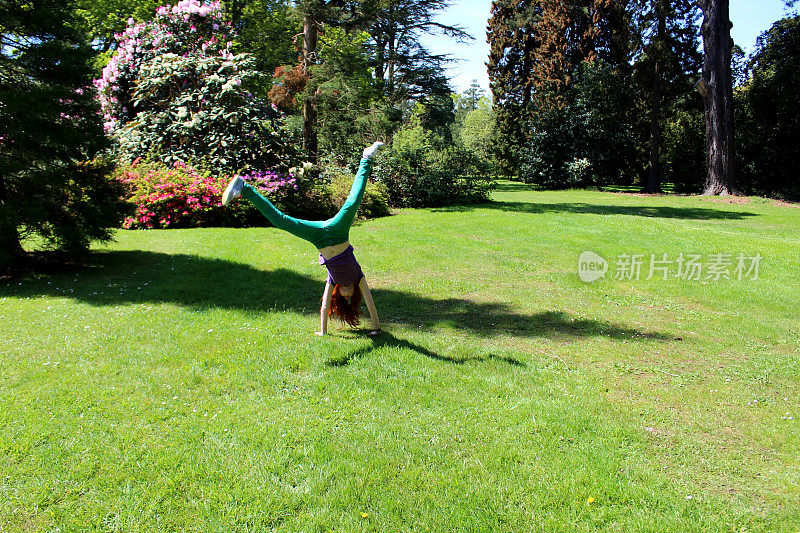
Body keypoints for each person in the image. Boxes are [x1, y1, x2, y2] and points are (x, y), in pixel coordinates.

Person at [222, 142, 384, 336]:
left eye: (344, 298)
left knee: (282, 221)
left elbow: (324, 308)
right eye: (350, 298)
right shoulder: (358, 277)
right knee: (353, 200)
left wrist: (323, 332)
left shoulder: (333, 280)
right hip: (338, 231)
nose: (347, 296)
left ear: (338, 295)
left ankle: (244, 189)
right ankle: (366, 157)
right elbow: (371, 304)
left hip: (320, 238)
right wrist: (377, 328)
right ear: (354, 294)